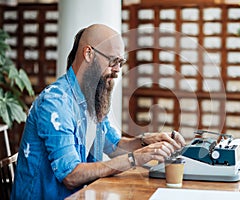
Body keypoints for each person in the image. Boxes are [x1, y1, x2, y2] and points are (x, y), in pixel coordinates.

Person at [11, 24, 185, 200]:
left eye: (121, 63)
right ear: (88, 54)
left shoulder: (91, 97)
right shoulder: (56, 102)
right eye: (113, 61)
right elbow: (71, 176)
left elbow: (113, 146)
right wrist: (134, 159)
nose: (117, 70)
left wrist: (145, 142)